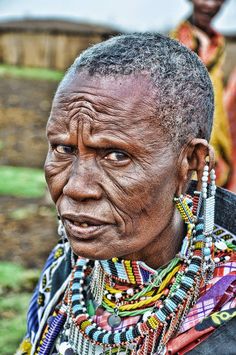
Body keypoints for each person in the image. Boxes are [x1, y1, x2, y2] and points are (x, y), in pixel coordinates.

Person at [17, 33, 236, 355]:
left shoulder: (224, 301)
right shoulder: (65, 269)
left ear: (190, 162)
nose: (76, 187)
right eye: (64, 149)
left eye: (117, 156)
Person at [171, 0, 233, 187]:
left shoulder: (218, 46)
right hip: (186, 163)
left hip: (218, 162)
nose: (209, 5)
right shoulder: (175, 47)